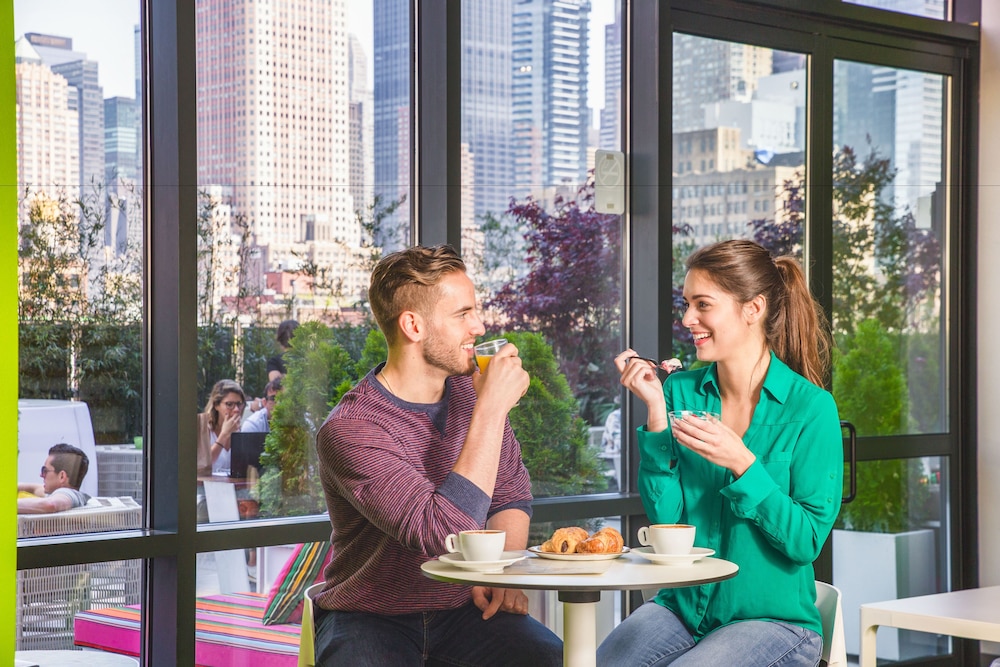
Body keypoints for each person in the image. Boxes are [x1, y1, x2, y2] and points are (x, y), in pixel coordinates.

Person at [312, 244, 562, 666]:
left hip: (465, 610)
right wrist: (492, 410)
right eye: (463, 314)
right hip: (369, 617)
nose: (479, 327)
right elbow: (443, 533)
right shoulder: (352, 429)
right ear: (413, 325)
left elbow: (511, 497)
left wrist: (497, 573)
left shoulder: (471, 395)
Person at [598, 239, 843, 667]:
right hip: (682, 610)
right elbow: (667, 523)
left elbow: (805, 541)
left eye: (703, 305)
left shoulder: (812, 408)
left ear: (753, 309)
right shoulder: (678, 392)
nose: (688, 318)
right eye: (687, 303)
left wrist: (742, 462)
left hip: (776, 623)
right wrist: (657, 413)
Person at [18, 443, 91, 514]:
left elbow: (50, 505)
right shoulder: (61, 493)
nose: (41, 475)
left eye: (45, 470)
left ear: (62, 476)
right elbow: (34, 488)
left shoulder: (68, 493)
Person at [196, 379, 246, 476]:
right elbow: (202, 465)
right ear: (216, 405)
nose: (236, 410)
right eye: (229, 404)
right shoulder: (204, 430)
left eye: (239, 404)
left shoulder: (240, 431)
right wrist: (224, 435)